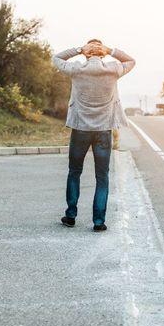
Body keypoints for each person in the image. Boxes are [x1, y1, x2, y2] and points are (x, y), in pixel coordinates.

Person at [53, 39, 135, 231]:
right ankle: (99, 222)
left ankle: (71, 215)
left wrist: (79, 49)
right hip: (103, 131)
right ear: (103, 54)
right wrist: (111, 50)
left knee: (74, 172)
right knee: (102, 176)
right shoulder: (113, 69)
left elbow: (56, 58)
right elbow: (131, 61)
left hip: (80, 130)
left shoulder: (75, 69)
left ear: (86, 54)